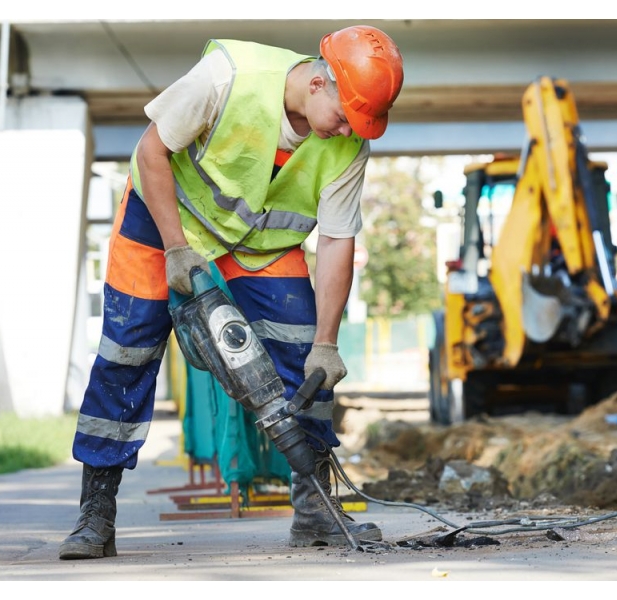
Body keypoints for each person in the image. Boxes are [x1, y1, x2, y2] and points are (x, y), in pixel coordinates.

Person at [59, 25, 404, 559]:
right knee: (125, 356)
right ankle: (95, 515)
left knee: (304, 356)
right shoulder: (230, 75)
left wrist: (328, 342)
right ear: (319, 84)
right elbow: (152, 152)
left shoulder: (349, 142)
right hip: (162, 221)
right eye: (346, 116)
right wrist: (175, 249)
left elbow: (337, 241)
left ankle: (316, 511)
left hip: (258, 243)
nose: (348, 130)